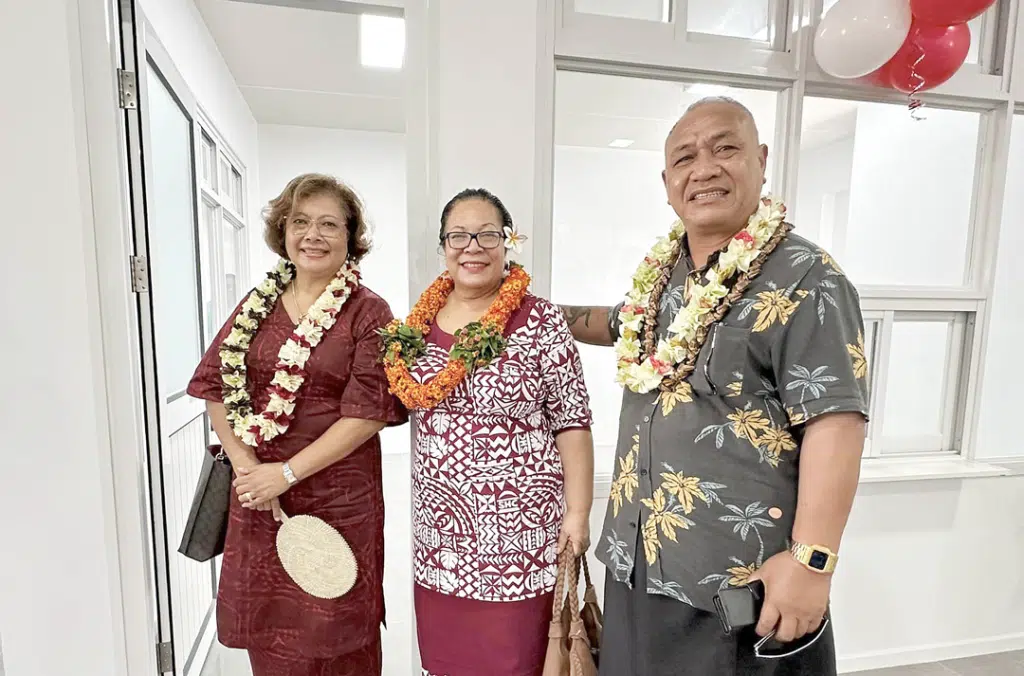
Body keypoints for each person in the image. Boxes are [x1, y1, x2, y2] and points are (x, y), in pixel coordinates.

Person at [559, 97, 869, 676]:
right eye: (684, 157)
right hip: (637, 561)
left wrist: (812, 563)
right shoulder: (665, 276)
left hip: (734, 579)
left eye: (725, 147)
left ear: (762, 159)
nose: (703, 168)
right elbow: (614, 321)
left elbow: (837, 424)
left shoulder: (808, 277)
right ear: (667, 181)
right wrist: (524, 314)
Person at [186, 173, 407, 676]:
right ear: (283, 230)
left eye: (330, 224)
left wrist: (285, 473)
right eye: (301, 221)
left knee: (338, 636)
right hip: (259, 500)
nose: (313, 234)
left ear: (350, 237)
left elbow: (369, 411)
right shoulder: (257, 305)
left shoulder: (370, 312)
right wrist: (248, 468)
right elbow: (215, 385)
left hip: (337, 500)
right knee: (274, 641)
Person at [380, 188, 595, 676]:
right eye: (458, 235)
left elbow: (573, 422)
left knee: (515, 661)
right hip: (441, 539)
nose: (471, 246)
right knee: (447, 662)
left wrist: (577, 516)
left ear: (508, 242)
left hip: (521, 540)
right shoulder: (417, 323)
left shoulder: (541, 320)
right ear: (443, 245)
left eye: (487, 234)